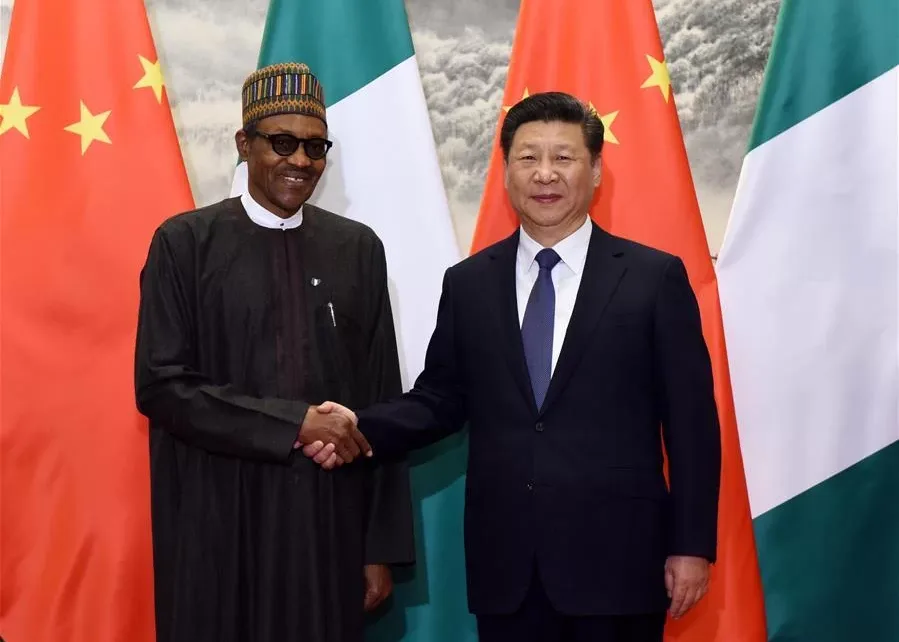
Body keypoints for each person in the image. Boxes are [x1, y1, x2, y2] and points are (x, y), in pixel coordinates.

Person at [304, 91, 722, 642]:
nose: (545, 174)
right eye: (528, 158)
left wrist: (691, 545)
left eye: (563, 157)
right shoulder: (470, 282)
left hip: (618, 563)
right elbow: (439, 400)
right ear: (506, 172)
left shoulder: (653, 278)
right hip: (509, 570)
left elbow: (692, 426)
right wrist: (354, 427)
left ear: (596, 170)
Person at [134, 62, 413, 642]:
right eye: (281, 143)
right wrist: (295, 423)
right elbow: (162, 385)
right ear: (245, 144)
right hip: (215, 519)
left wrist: (379, 547)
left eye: (315, 147)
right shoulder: (184, 244)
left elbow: (383, 399)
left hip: (326, 527)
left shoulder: (357, 249)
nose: (301, 161)